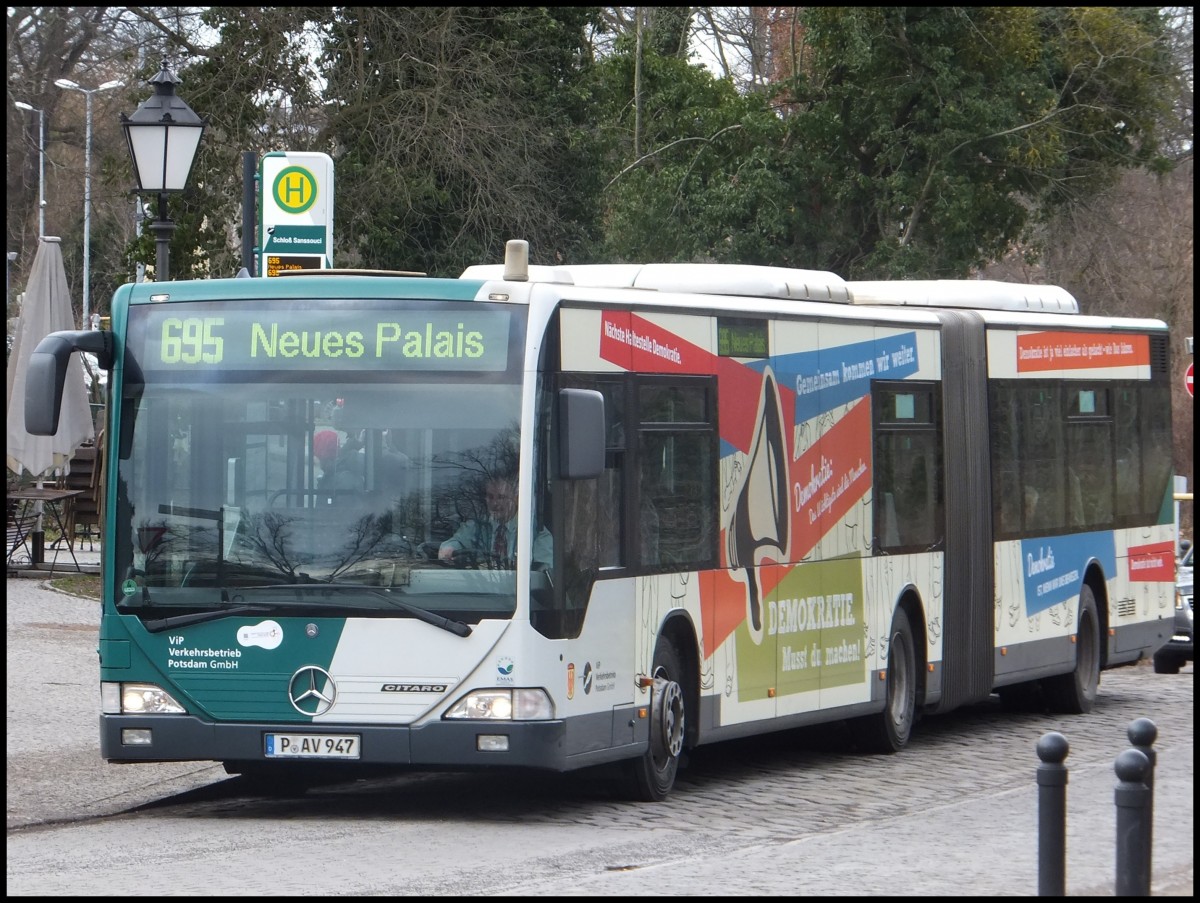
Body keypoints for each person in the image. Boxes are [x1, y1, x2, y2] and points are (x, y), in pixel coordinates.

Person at [439, 473, 552, 568]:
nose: (495, 503)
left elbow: (543, 572)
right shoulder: (477, 527)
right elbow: (456, 542)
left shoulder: (536, 532)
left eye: (501, 497)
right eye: (490, 497)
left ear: (516, 499)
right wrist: (449, 548)